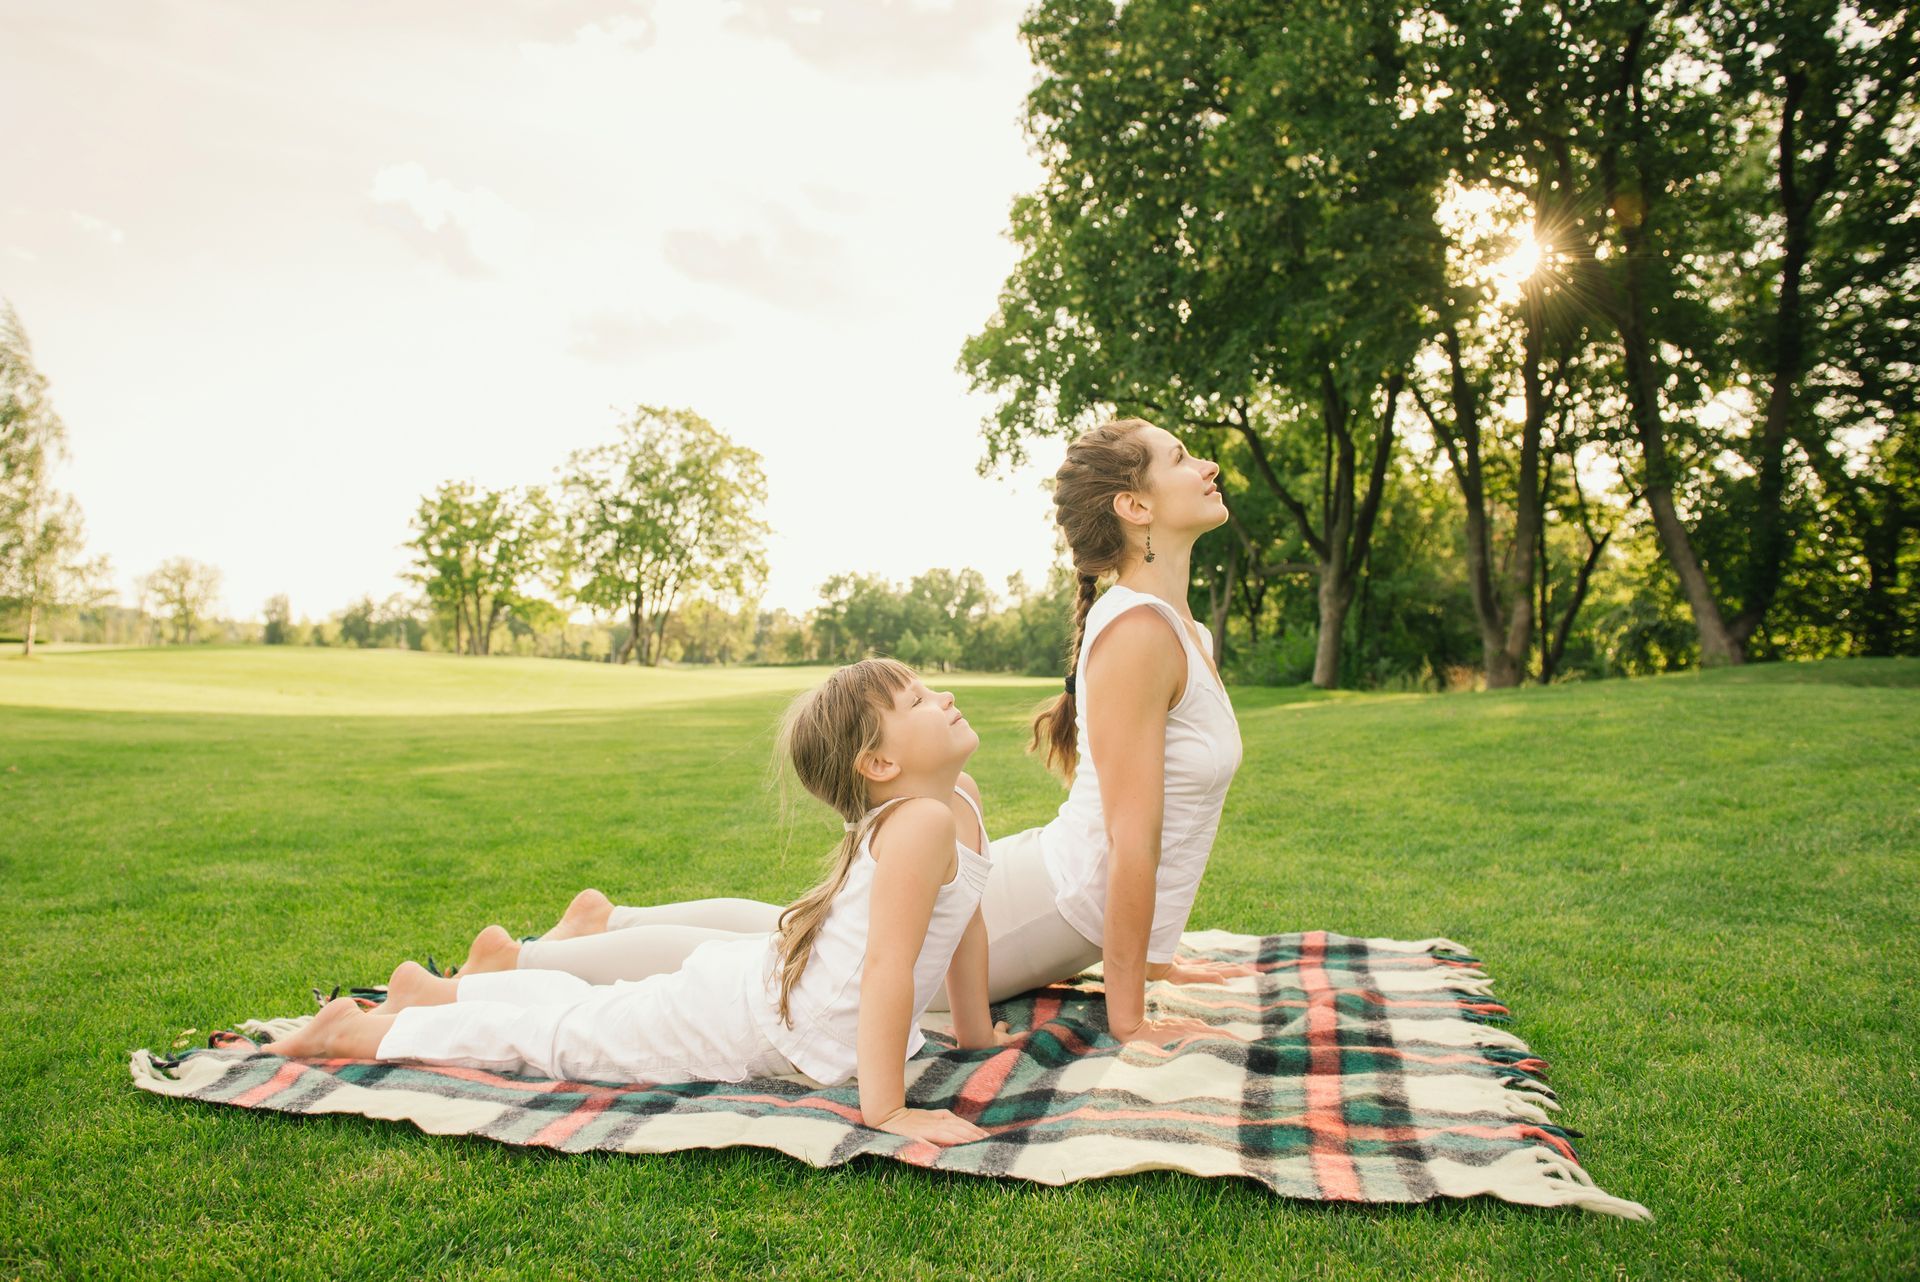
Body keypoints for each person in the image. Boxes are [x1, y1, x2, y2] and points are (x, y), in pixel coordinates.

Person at [457, 419, 1247, 1046]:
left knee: (799, 933)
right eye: (1181, 458)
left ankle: (608, 922)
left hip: (1052, 889)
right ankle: (525, 961)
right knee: (785, 967)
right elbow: (1131, 836)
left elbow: (1158, 822)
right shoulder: (1140, 632)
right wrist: (1130, 1014)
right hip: (1050, 906)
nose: (1204, 466)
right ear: (1134, 507)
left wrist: (1155, 958)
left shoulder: (1182, 632)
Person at [265, 659, 1011, 1148]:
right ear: (879, 763)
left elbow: (963, 928)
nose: (944, 696)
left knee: (597, 1012)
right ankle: (363, 1035)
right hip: (762, 1022)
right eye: (918, 699)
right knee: (568, 1039)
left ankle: (426, 997)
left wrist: (974, 1035)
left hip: (773, 995)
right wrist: (887, 1111)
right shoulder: (919, 823)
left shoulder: (956, 803)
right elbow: (887, 967)